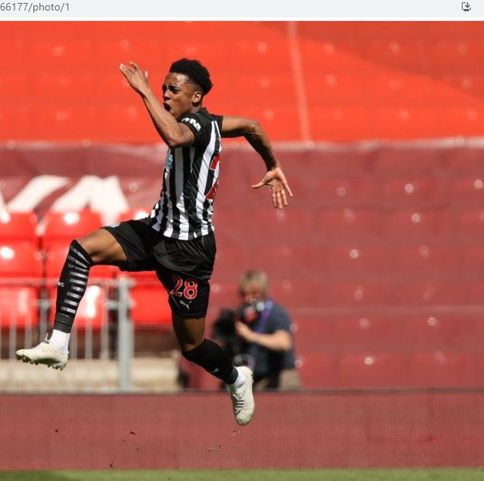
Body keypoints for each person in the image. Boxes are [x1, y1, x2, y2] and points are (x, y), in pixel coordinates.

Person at [17, 58, 293, 425]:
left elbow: (175, 137)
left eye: (172, 90)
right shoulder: (211, 123)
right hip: (155, 231)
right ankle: (59, 342)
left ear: (195, 97)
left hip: (188, 252)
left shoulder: (192, 125)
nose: (164, 94)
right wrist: (271, 163)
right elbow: (253, 126)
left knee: (193, 347)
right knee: (81, 249)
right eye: (162, 87)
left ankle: (236, 377)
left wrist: (143, 91)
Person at [213, 270, 299, 391]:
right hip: (254, 377)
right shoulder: (242, 315)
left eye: (254, 294)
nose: (248, 299)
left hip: (278, 377)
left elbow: (284, 342)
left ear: (263, 293)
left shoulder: (276, 312)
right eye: (244, 295)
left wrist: (251, 336)